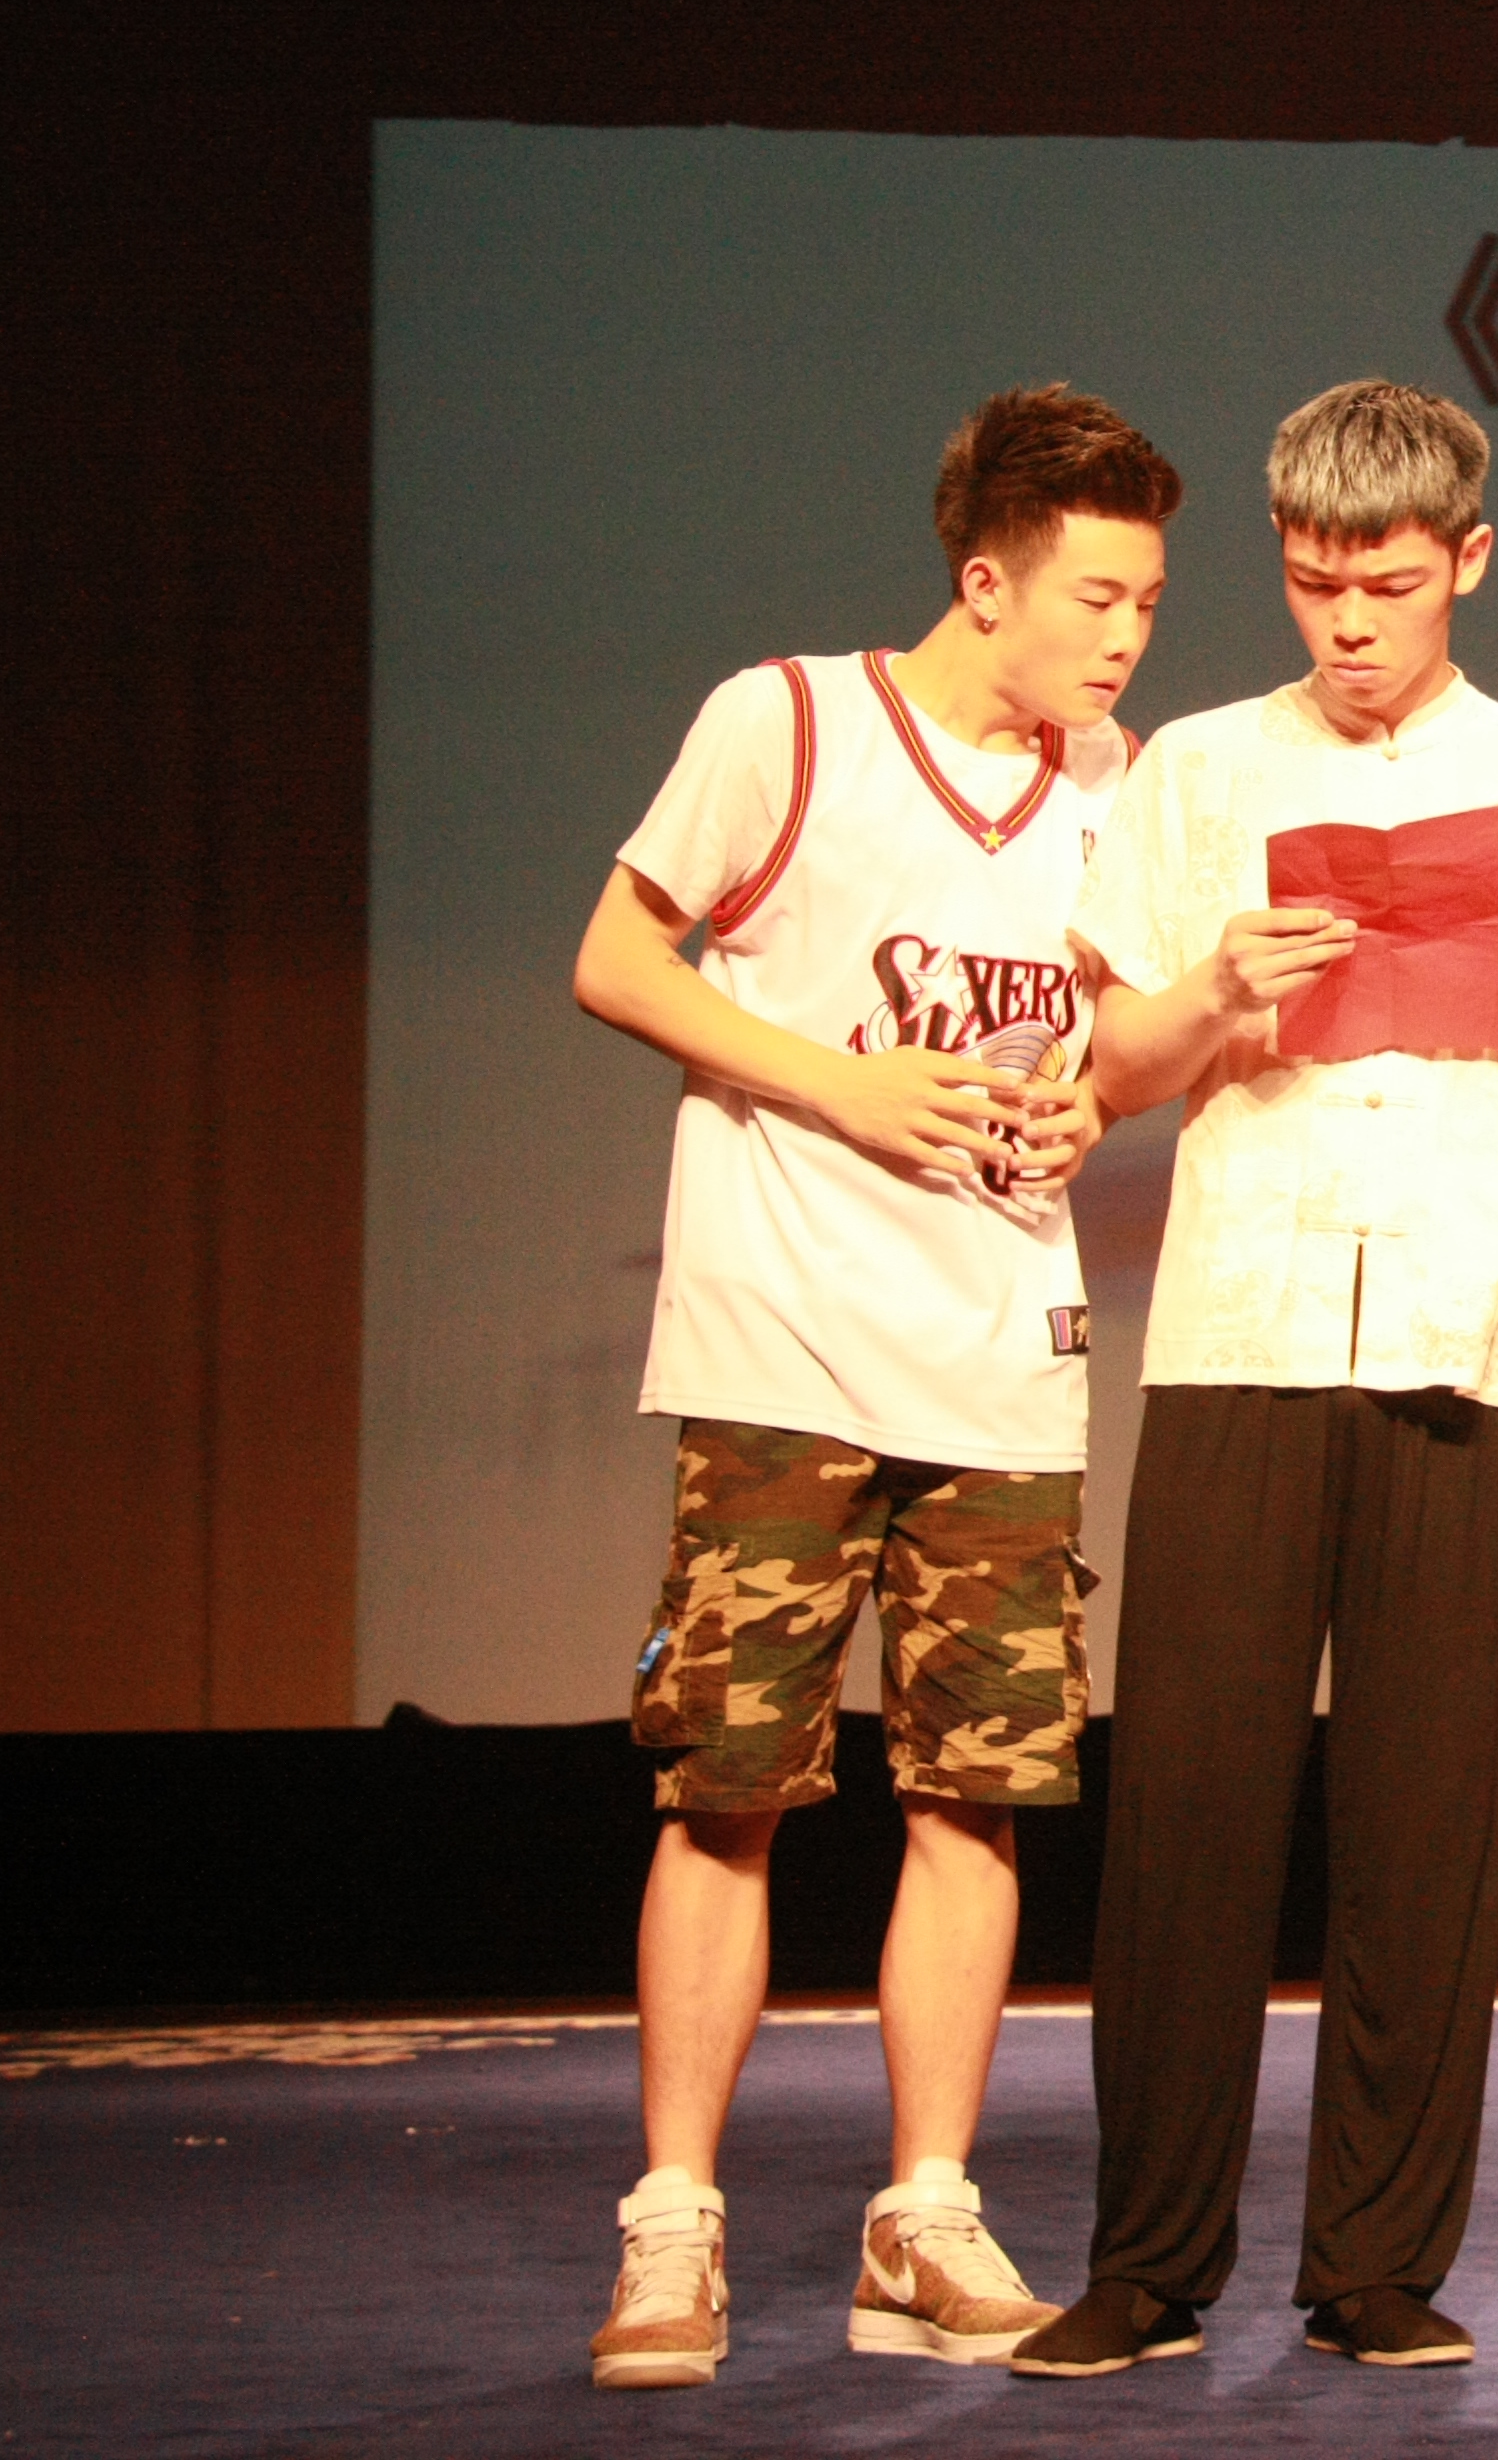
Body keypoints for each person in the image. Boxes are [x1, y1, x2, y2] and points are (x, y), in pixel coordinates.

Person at [1007, 378, 1498, 2380]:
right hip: (1242, 1327)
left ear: (1467, 559)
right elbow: (1112, 1069)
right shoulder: (1201, 769)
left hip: (1462, 1338)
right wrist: (1220, 989)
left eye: (1388, 584)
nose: (1350, 622)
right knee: (1191, 1812)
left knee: (1426, 1815)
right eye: (1317, 583)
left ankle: (1378, 2260)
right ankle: (1149, 2262)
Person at [568, 384, 1178, 2389]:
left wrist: (1096, 1104)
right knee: (729, 1786)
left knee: (975, 1797)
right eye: (1095, 596)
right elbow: (620, 960)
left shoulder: (1116, 782)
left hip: (1003, 1355)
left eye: (1147, 601)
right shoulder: (790, 722)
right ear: (985, 581)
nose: (1125, 636)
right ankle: (674, 2218)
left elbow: (1111, 1038)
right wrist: (844, 1085)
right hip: (785, 1341)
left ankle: (924, 2209)